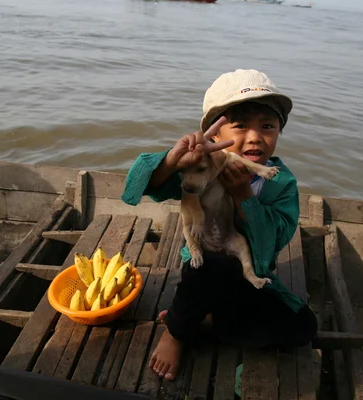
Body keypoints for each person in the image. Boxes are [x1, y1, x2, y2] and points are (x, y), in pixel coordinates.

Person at [121, 69, 318, 381]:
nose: (255, 137)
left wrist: (243, 196)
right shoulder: (199, 166)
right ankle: (177, 331)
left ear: (279, 131)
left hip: (249, 271)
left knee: (304, 327)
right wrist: (172, 161)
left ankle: (210, 321)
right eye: (239, 127)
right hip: (204, 271)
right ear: (213, 137)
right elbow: (144, 184)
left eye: (267, 126)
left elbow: (274, 240)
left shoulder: (280, 182)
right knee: (212, 265)